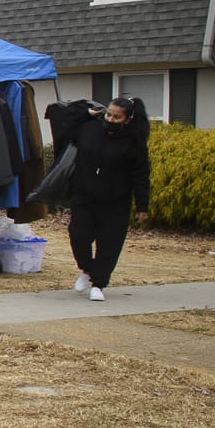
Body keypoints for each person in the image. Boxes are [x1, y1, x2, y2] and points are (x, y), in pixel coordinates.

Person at [68, 96, 151, 302]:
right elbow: (65, 128)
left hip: (116, 199)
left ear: (127, 119)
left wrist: (142, 205)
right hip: (83, 193)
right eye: (109, 114)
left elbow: (140, 175)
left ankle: (99, 283)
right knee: (78, 234)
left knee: (109, 243)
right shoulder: (89, 128)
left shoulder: (134, 142)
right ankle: (87, 270)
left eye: (117, 117)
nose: (111, 119)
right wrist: (85, 114)